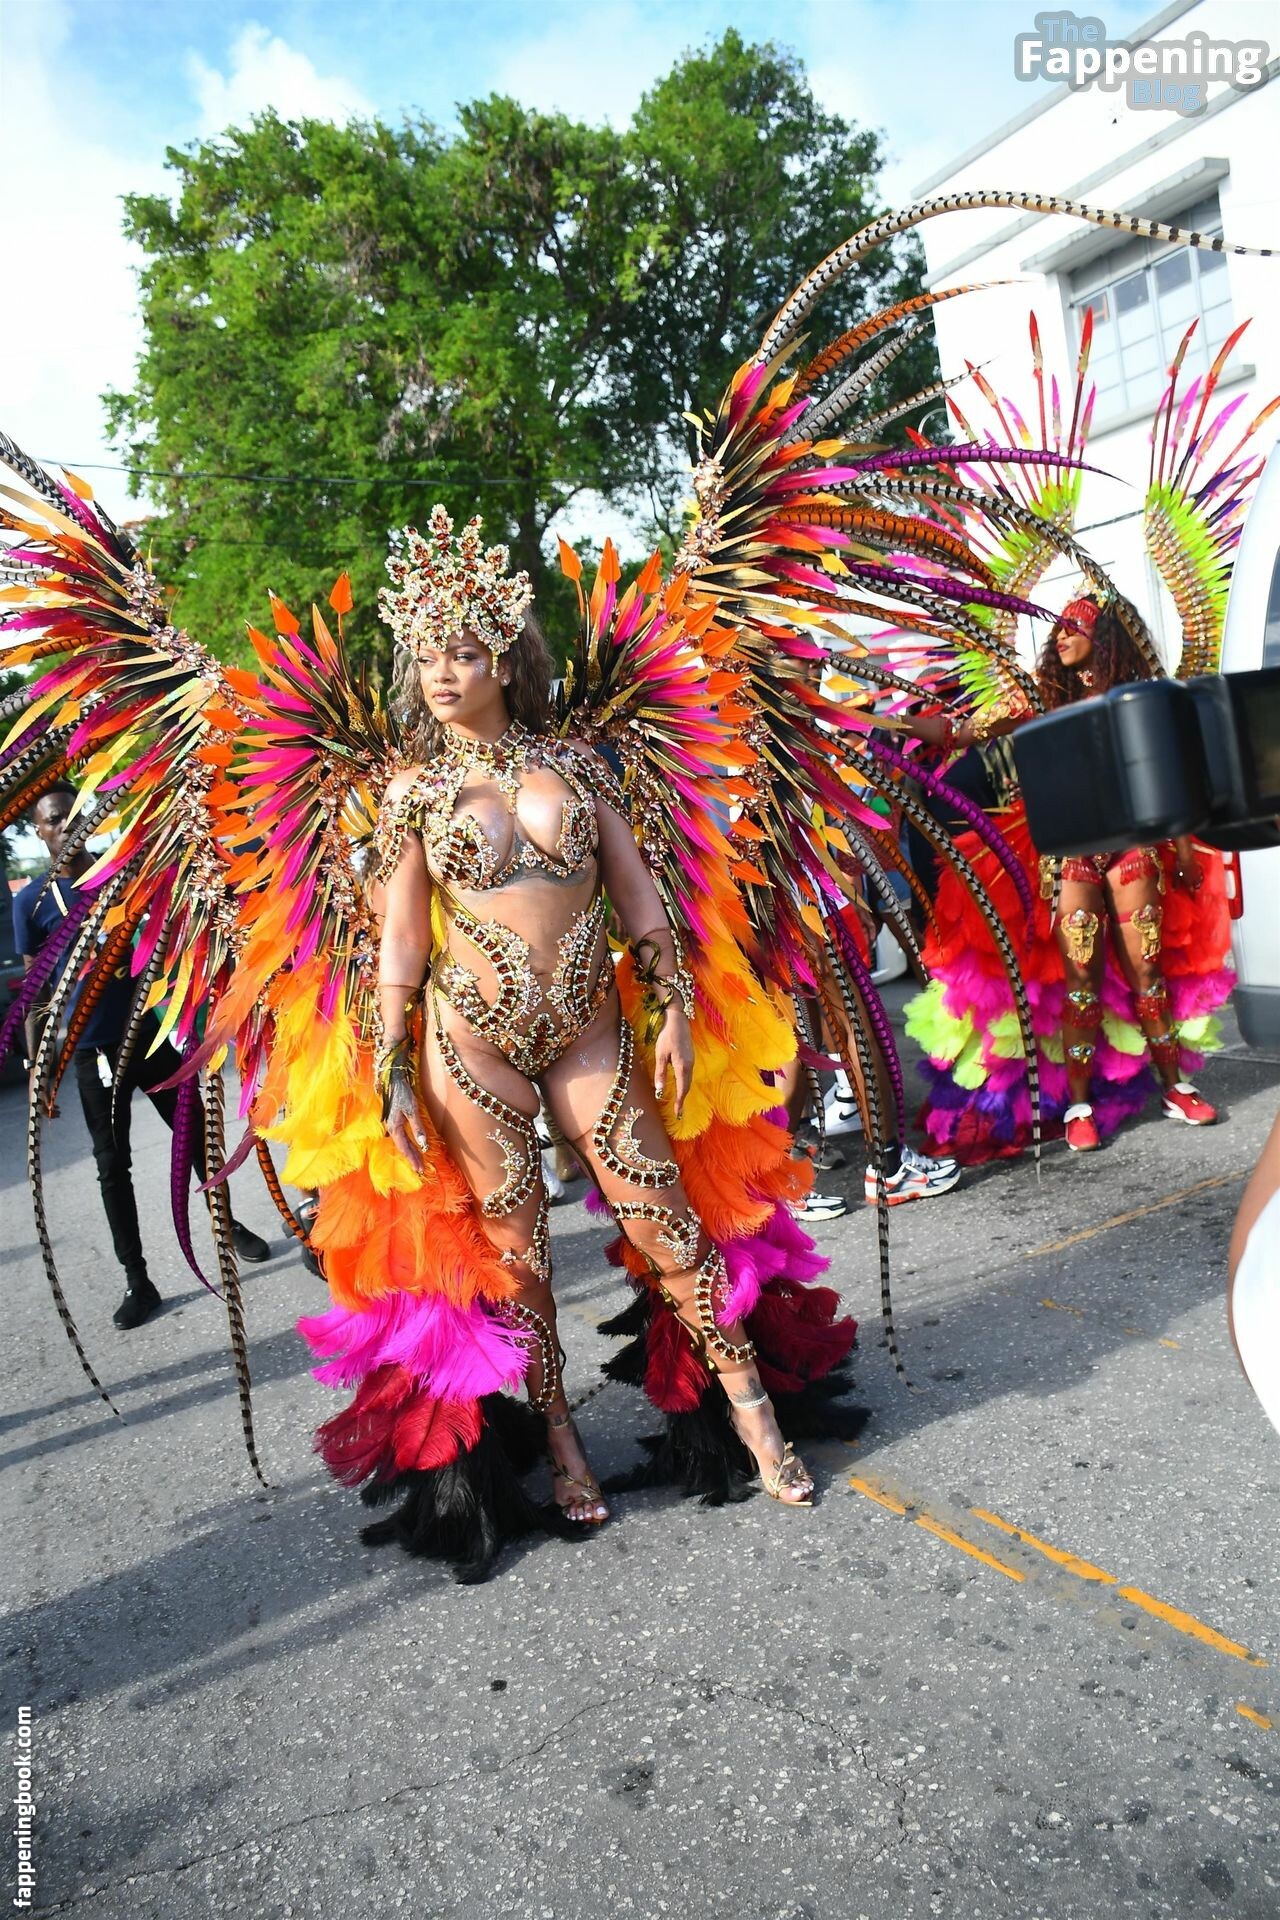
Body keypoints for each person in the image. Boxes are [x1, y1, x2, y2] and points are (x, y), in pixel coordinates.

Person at [370, 533, 819, 1522]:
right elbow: (400, 937)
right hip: (469, 1042)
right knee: (520, 1257)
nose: (442, 673)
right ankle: (562, 1439)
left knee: (665, 1224)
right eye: (427, 656)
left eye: (464, 653)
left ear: (504, 660)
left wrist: (672, 1006)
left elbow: (637, 892)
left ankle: (755, 1418)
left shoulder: (577, 765)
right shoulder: (410, 793)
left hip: (590, 1028)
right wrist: (390, 1066)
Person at [902, 591, 1231, 1160]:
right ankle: (1080, 1108)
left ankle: (1176, 1086)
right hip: (1071, 852)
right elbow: (962, 733)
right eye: (1057, 628)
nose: (1061, 635)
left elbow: (1170, 773)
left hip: (1132, 847)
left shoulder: (1138, 696)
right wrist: (887, 721)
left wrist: (1182, 848)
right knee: (1082, 981)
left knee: (1147, 973)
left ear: (1105, 637)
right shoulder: (1038, 697)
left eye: (1074, 626)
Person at [14, 784, 269, 1329]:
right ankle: (138, 1280)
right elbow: (35, 993)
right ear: (39, 831)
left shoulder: (118, 876)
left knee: (196, 1137)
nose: (68, 826)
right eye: (55, 819)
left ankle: (228, 1228)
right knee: (113, 1168)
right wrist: (40, 1069)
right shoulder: (31, 903)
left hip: (147, 1037)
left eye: (75, 814)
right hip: (91, 1055)